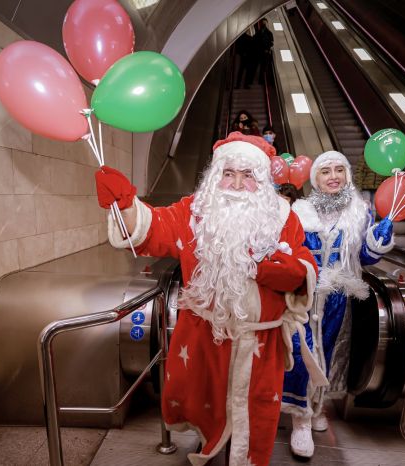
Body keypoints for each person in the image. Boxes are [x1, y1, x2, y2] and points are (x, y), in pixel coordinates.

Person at [95, 132, 322, 466]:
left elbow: (305, 268)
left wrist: (277, 269)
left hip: (260, 342)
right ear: (216, 176)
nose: (236, 183)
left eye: (247, 175)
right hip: (205, 336)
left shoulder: (283, 217)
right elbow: (153, 229)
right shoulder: (195, 211)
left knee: (256, 415)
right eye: (228, 173)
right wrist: (125, 205)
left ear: (261, 180)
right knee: (209, 408)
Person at [281, 151, 395, 458]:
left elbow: (366, 259)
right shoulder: (300, 212)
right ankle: (300, 419)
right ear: (315, 178)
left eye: (338, 170)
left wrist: (377, 241)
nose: (333, 176)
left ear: (346, 175)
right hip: (303, 295)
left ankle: (318, 406)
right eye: (325, 171)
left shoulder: (360, 213)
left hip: (337, 298)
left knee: (329, 350)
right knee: (302, 350)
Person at [254, 19, 274, 85]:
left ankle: (261, 81)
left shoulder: (269, 33)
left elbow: (271, 43)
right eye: (263, 24)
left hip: (264, 53)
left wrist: (267, 49)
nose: (264, 25)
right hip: (259, 52)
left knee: (262, 68)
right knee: (258, 66)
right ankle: (257, 80)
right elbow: (255, 40)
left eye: (265, 24)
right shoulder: (259, 33)